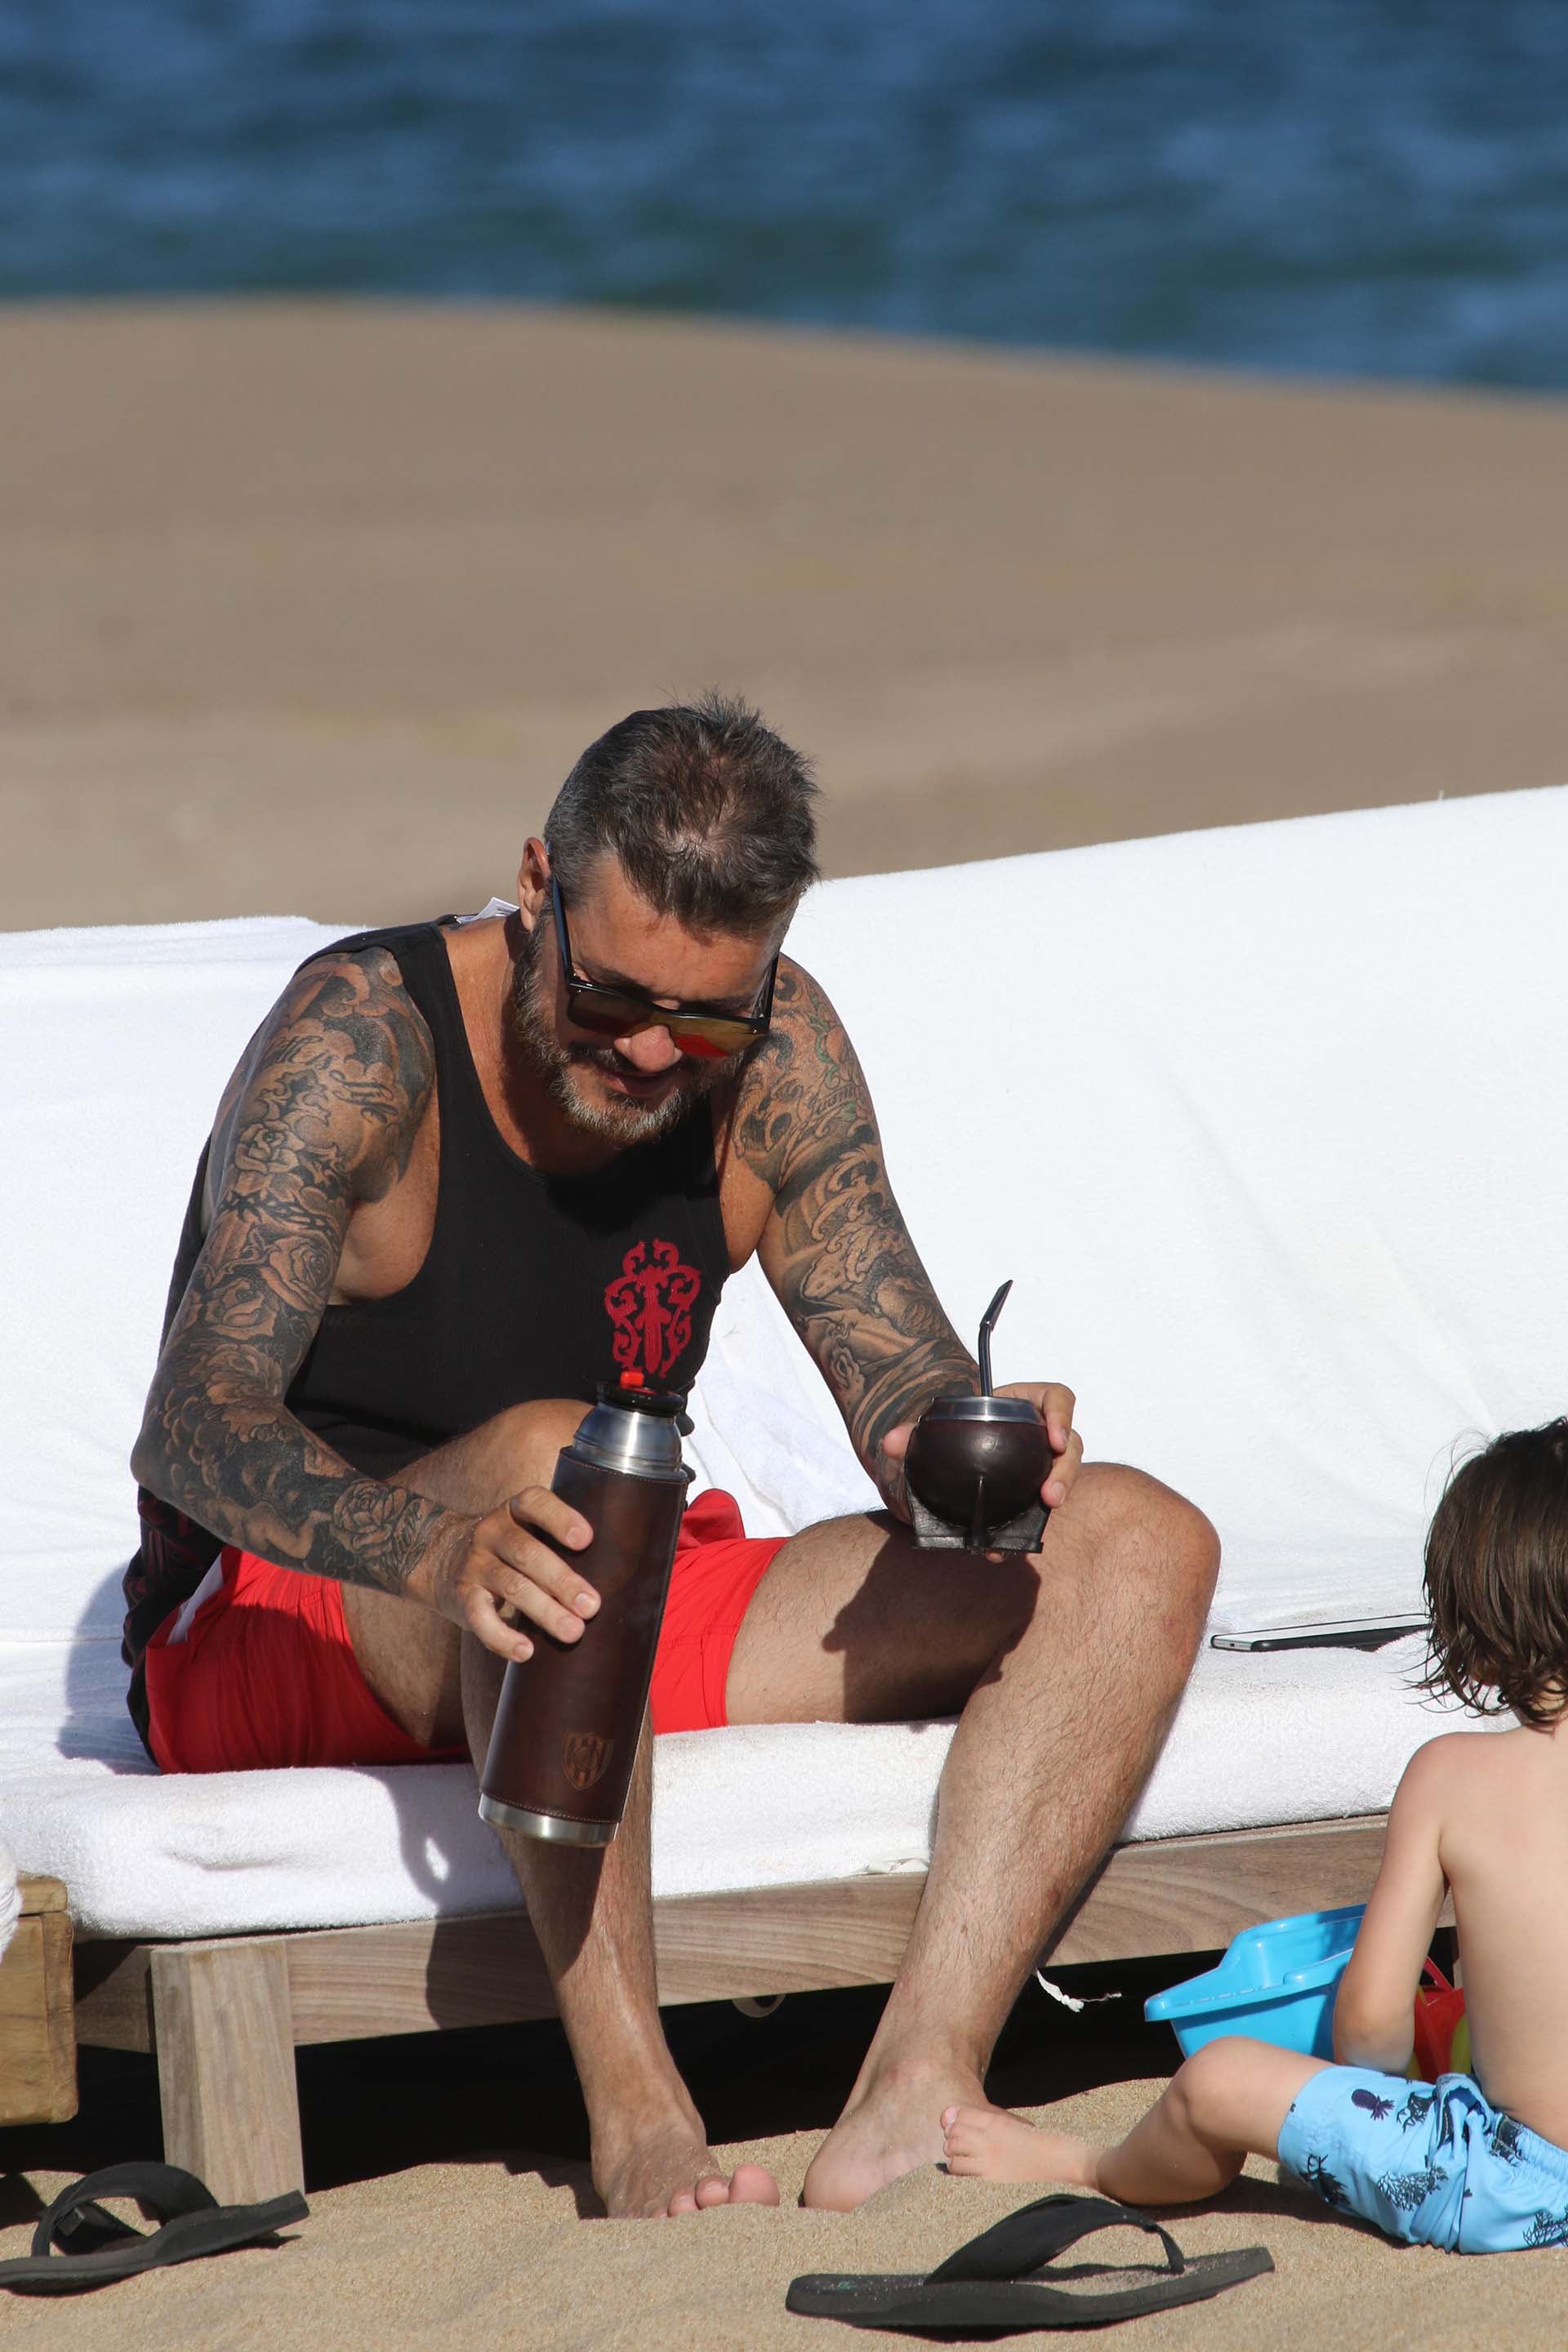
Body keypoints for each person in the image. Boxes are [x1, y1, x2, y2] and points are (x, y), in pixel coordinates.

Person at [127, 693, 1218, 2220]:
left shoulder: (779, 1058)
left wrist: (977, 1458)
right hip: (299, 1606)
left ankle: (917, 2082)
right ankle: (639, 2109)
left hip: (614, 1583)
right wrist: (442, 1557)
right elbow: (191, 1428)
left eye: (707, 1016)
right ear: (536, 888)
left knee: (1137, 1538)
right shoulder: (365, 1041)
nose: (651, 1050)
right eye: (611, 998)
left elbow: (896, 1384)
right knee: (565, 1474)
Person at [943, 1419, 1568, 2256]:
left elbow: (1374, 2028)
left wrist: (1407, 2074)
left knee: (1220, 2078)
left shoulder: (1453, 1778)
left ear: (1480, 1638)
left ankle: (1091, 2162)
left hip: (1519, 2184)